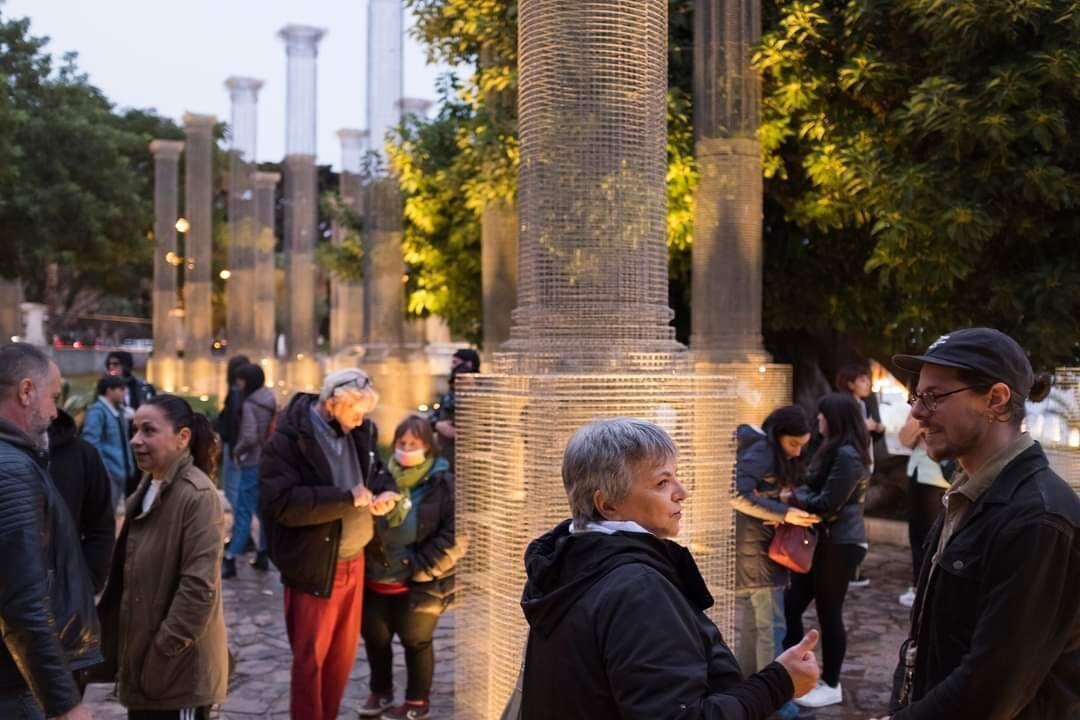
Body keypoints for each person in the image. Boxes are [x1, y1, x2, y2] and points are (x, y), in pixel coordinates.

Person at [520, 418, 821, 719]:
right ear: (608, 504)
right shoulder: (637, 589)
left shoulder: (569, 565)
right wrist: (779, 683)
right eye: (662, 482)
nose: (682, 491)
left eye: (676, 476)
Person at [869, 328, 1080, 720]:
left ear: (996, 400)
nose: (917, 412)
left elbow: (993, 686)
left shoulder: (1039, 519)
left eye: (934, 396)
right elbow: (925, 641)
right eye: (917, 397)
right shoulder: (967, 493)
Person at [259, 368, 401, 720]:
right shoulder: (288, 440)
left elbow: (377, 472)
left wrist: (386, 492)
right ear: (332, 403)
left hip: (356, 560)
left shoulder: (360, 431)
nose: (359, 421)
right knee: (311, 659)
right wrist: (344, 499)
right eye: (355, 412)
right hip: (315, 564)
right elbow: (281, 503)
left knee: (342, 657)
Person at [97, 394, 229, 720]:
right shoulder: (149, 485)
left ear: (182, 438)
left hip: (175, 673)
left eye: (148, 431)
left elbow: (198, 589)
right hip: (143, 666)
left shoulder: (197, 496)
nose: (135, 440)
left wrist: (162, 652)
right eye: (135, 430)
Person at [0, 343, 99, 720]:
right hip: (14, 686)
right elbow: (23, 601)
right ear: (26, 392)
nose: (56, 412)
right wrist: (64, 703)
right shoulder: (10, 469)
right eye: (53, 397)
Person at [359, 415, 463, 720]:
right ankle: (381, 692)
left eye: (413, 444)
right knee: (376, 641)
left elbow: (456, 534)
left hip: (420, 581)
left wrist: (420, 566)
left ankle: (417, 701)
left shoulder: (442, 482)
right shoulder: (380, 478)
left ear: (428, 447)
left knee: (416, 642)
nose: (406, 449)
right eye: (401, 444)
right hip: (376, 578)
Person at [780, 392, 871, 708]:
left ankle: (832, 684)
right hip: (824, 542)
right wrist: (798, 495)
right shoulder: (832, 449)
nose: (817, 420)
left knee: (829, 613)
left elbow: (828, 503)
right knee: (791, 605)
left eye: (822, 415)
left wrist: (790, 499)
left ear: (834, 418)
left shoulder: (847, 455)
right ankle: (790, 673)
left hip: (840, 544)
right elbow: (813, 489)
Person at [732, 406, 818, 720]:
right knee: (770, 627)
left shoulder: (766, 450)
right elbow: (736, 493)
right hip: (757, 551)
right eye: (794, 444)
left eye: (802, 446)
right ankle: (776, 702)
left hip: (758, 549)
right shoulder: (763, 451)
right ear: (778, 434)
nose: (797, 452)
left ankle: (747, 691)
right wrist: (784, 513)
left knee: (758, 626)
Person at [47, 407, 116, 595]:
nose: (54, 410)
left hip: (64, 597)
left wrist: (88, 583)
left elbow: (100, 527)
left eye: (54, 397)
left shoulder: (82, 454)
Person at [222, 362, 276, 577]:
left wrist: (237, 450)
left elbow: (249, 437)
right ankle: (263, 553)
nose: (238, 383)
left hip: (252, 461)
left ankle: (231, 557)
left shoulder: (250, 404)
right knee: (262, 511)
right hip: (268, 460)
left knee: (243, 511)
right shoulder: (269, 398)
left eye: (241, 379)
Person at [896, 409, 949, 608]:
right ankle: (918, 584)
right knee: (916, 533)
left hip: (937, 477)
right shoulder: (919, 408)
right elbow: (904, 438)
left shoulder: (952, 404)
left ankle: (927, 588)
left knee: (930, 536)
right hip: (916, 471)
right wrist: (921, 420)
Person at [835, 362, 882, 589]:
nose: (867, 384)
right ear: (850, 383)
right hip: (854, 467)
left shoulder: (862, 404)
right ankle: (848, 570)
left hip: (864, 465)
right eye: (862, 380)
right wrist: (868, 427)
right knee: (849, 516)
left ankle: (851, 569)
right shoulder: (846, 406)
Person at [81, 374, 136, 513]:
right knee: (104, 514)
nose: (124, 392)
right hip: (109, 473)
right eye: (121, 389)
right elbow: (91, 442)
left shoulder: (119, 411)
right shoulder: (97, 411)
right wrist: (102, 470)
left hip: (121, 471)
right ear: (109, 390)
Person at [216, 354, 250, 545]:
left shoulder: (237, 393)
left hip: (236, 447)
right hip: (241, 447)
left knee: (233, 491)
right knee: (239, 491)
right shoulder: (245, 393)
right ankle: (242, 532)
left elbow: (232, 422)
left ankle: (241, 534)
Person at [432, 348, 479, 471]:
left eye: (455, 363)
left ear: (469, 364)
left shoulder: (486, 397)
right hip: (446, 462)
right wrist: (438, 425)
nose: (451, 367)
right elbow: (431, 418)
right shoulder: (448, 397)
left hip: (472, 466)